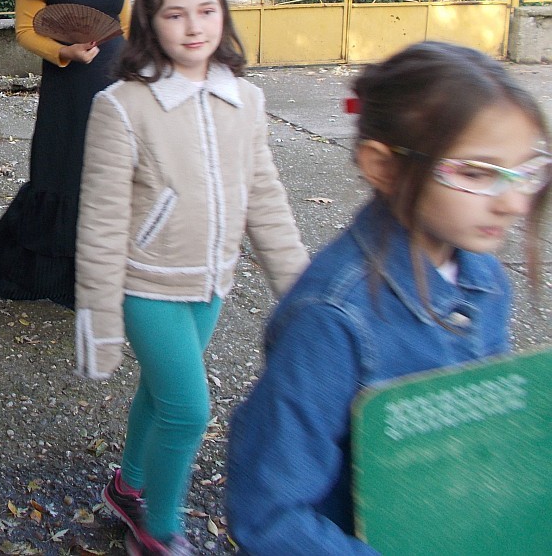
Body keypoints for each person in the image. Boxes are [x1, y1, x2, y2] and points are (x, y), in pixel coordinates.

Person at [225, 41, 548, 555]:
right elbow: (268, 513)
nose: (513, 202)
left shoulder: (483, 275)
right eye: (476, 172)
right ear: (383, 167)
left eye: (525, 172)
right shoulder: (331, 321)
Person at [75, 0, 309, 556]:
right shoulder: (122, 105)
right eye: (175, 14)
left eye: (206, 10)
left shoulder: (245, 99)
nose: (194, 26)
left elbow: (265, 199)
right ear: (150, 24)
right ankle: (159, 529)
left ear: (223, 16)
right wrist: (99, 322)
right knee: (188, 411)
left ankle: (128, 487)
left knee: (160, 394)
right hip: (146, 285)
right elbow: (101, 222)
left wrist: (303, 293)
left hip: (211, 284)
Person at [0, 0, 143, 307]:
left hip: (114, 81)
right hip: (67, 84)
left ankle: (106, 271)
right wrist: (64, 52)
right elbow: (25, 31)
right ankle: (54, 277)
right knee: (63, 168)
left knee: (110, 171)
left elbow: (126, 26)